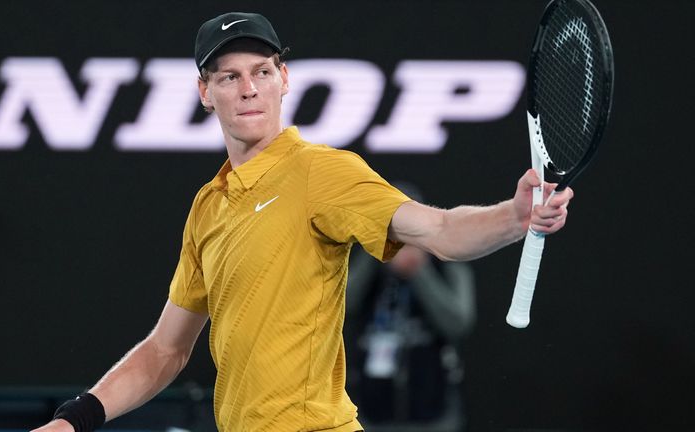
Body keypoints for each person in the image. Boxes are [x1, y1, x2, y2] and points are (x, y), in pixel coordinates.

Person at [32, 11, 573, 432]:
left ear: (283, 79)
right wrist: (75, 418)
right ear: (204, 91)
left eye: (262, 72)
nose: (249, 88)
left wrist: (513, 216)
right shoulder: (210, 204)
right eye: (229, 76)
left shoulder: (322, 172)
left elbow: (439, 232)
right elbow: (166, 350)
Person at [344, 182, 475, 431]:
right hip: (370, 416)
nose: (402, 237)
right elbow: (341, 307)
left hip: (434, 416)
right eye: (393, 228)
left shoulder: (446, 266)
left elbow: (458, 323)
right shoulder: (363, 262)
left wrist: (420, 271)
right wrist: (378, 254)